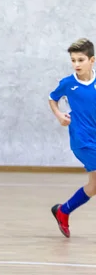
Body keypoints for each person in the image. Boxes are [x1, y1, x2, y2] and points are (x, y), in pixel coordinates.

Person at [49, 38, 96, 238]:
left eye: (81, 60)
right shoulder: (68, 83)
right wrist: (60, 115)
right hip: (82, 140)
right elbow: (52, 98)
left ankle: (64, 210)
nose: (76, 64)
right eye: (73, 60)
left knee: (93, 186)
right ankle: (64, 210)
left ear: (92, 60)